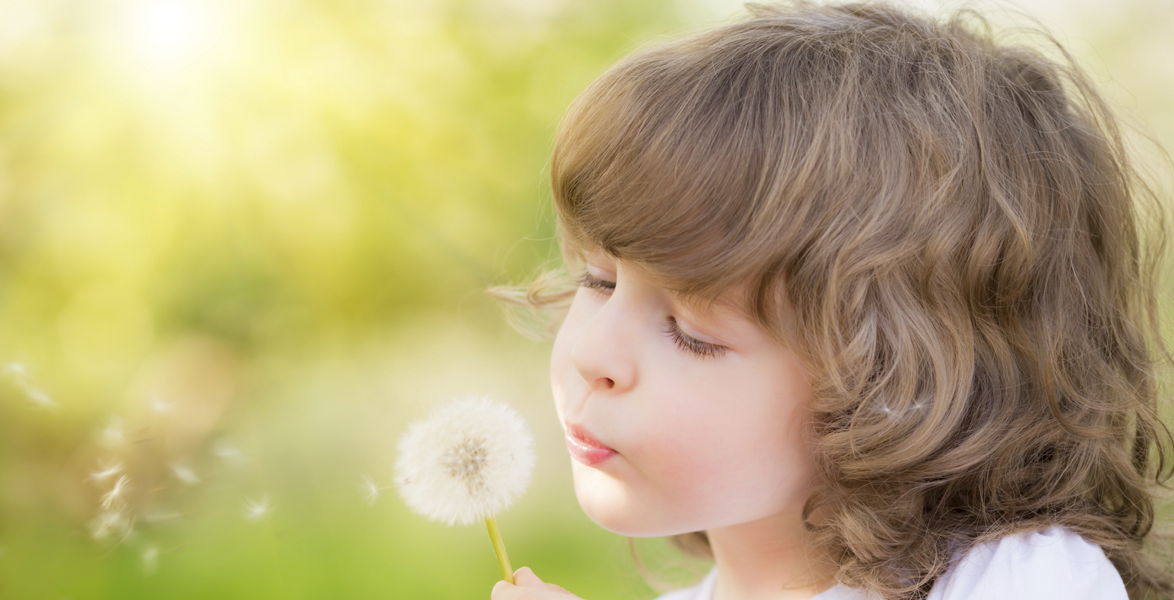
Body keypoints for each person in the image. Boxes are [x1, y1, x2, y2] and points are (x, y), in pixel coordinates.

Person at [488, 2, 1174, 599]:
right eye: (598, 282)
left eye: (692, 332)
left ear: (901, 385)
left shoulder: (1021, 579)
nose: (590, 353)